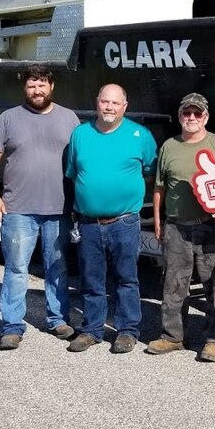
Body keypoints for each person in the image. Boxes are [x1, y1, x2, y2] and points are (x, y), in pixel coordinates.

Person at [0, 64, 80, 351]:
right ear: (24, 88)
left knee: (58, 267)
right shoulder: (8, 119)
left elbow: (80, 160)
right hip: (18, 208)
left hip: (60, 208)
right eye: (31, 85)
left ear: (52, 86)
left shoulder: (69, 118)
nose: (36, 90)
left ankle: (58, 319)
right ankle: (12, 326)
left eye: (41, 85)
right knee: (16, 269)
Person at [65, 83, 157, 354]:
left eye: (115, 103)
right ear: (97, 103)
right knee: (91, 279)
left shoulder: (140, 135)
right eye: (105, 102)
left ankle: (127, 331)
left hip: (125, 222)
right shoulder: (80, 134)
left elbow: (150, 170)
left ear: (124, 106)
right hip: (89, 223)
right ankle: (92, 329)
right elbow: (73, 173)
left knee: (126, 279)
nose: (109, 107)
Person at [148, 93, 215, 362]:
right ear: (180, 116)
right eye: (187, 113)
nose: (192, 118)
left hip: (210, 225)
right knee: (174, 285)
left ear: (206, 117)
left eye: (197, 114)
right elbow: (160, 187)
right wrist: (157, 219)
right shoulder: (169, 147)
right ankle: (172, 337)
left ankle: (214, 340)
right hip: (176, 226)